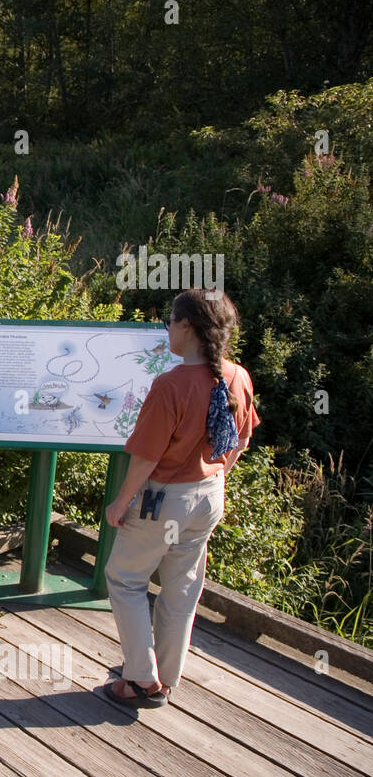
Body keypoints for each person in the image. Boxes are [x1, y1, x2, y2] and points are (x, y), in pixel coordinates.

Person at [100, 288, 262, 709]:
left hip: (164, 499)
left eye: (170, 322)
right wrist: (213, 476)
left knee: (125, 579)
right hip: (209, 496)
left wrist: (120, 502)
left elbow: (147, 456)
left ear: (186, 326)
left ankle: (140, 678)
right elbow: (241, 440)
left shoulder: (171, 385)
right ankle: (165, 678)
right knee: (181, 589)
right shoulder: (238, 376)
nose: (168, 329)